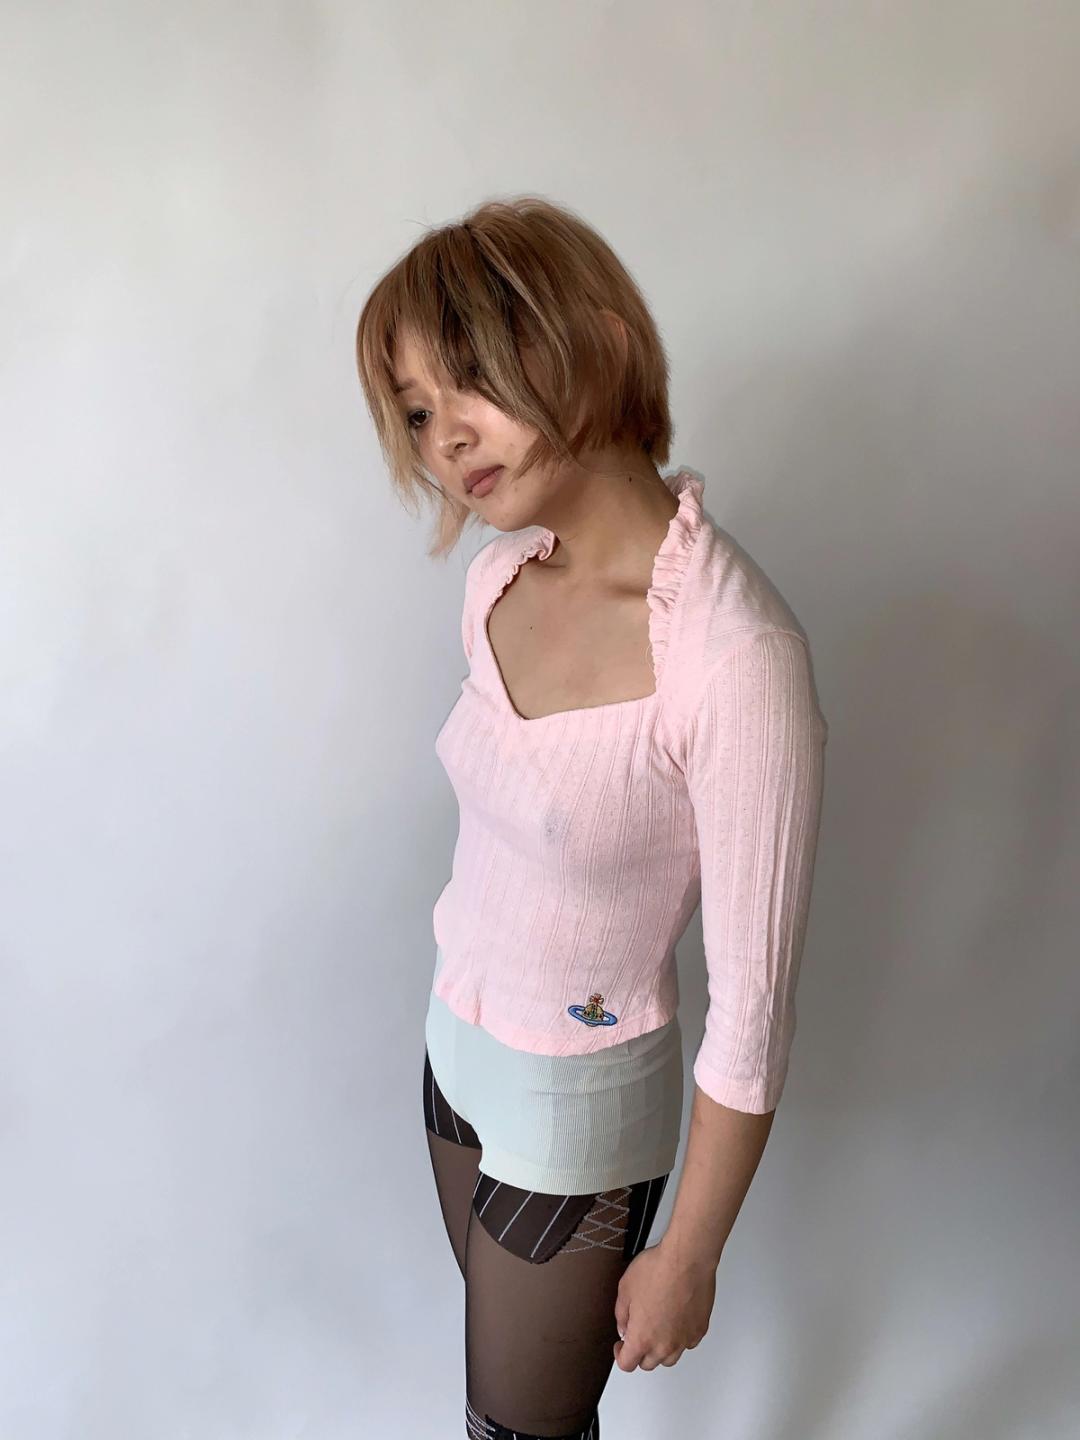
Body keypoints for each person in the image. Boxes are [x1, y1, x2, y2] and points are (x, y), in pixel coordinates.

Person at [355, 195, 828, 1440]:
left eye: (470, 378)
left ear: (598, 344)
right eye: (416, 410)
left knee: (518, 1433)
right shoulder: (497, 582)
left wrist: (691, 1253)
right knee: (519, 1417)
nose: (446, 436)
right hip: (453, 1059)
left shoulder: (734, 655)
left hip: (578, 1103)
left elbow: (754, 1007)